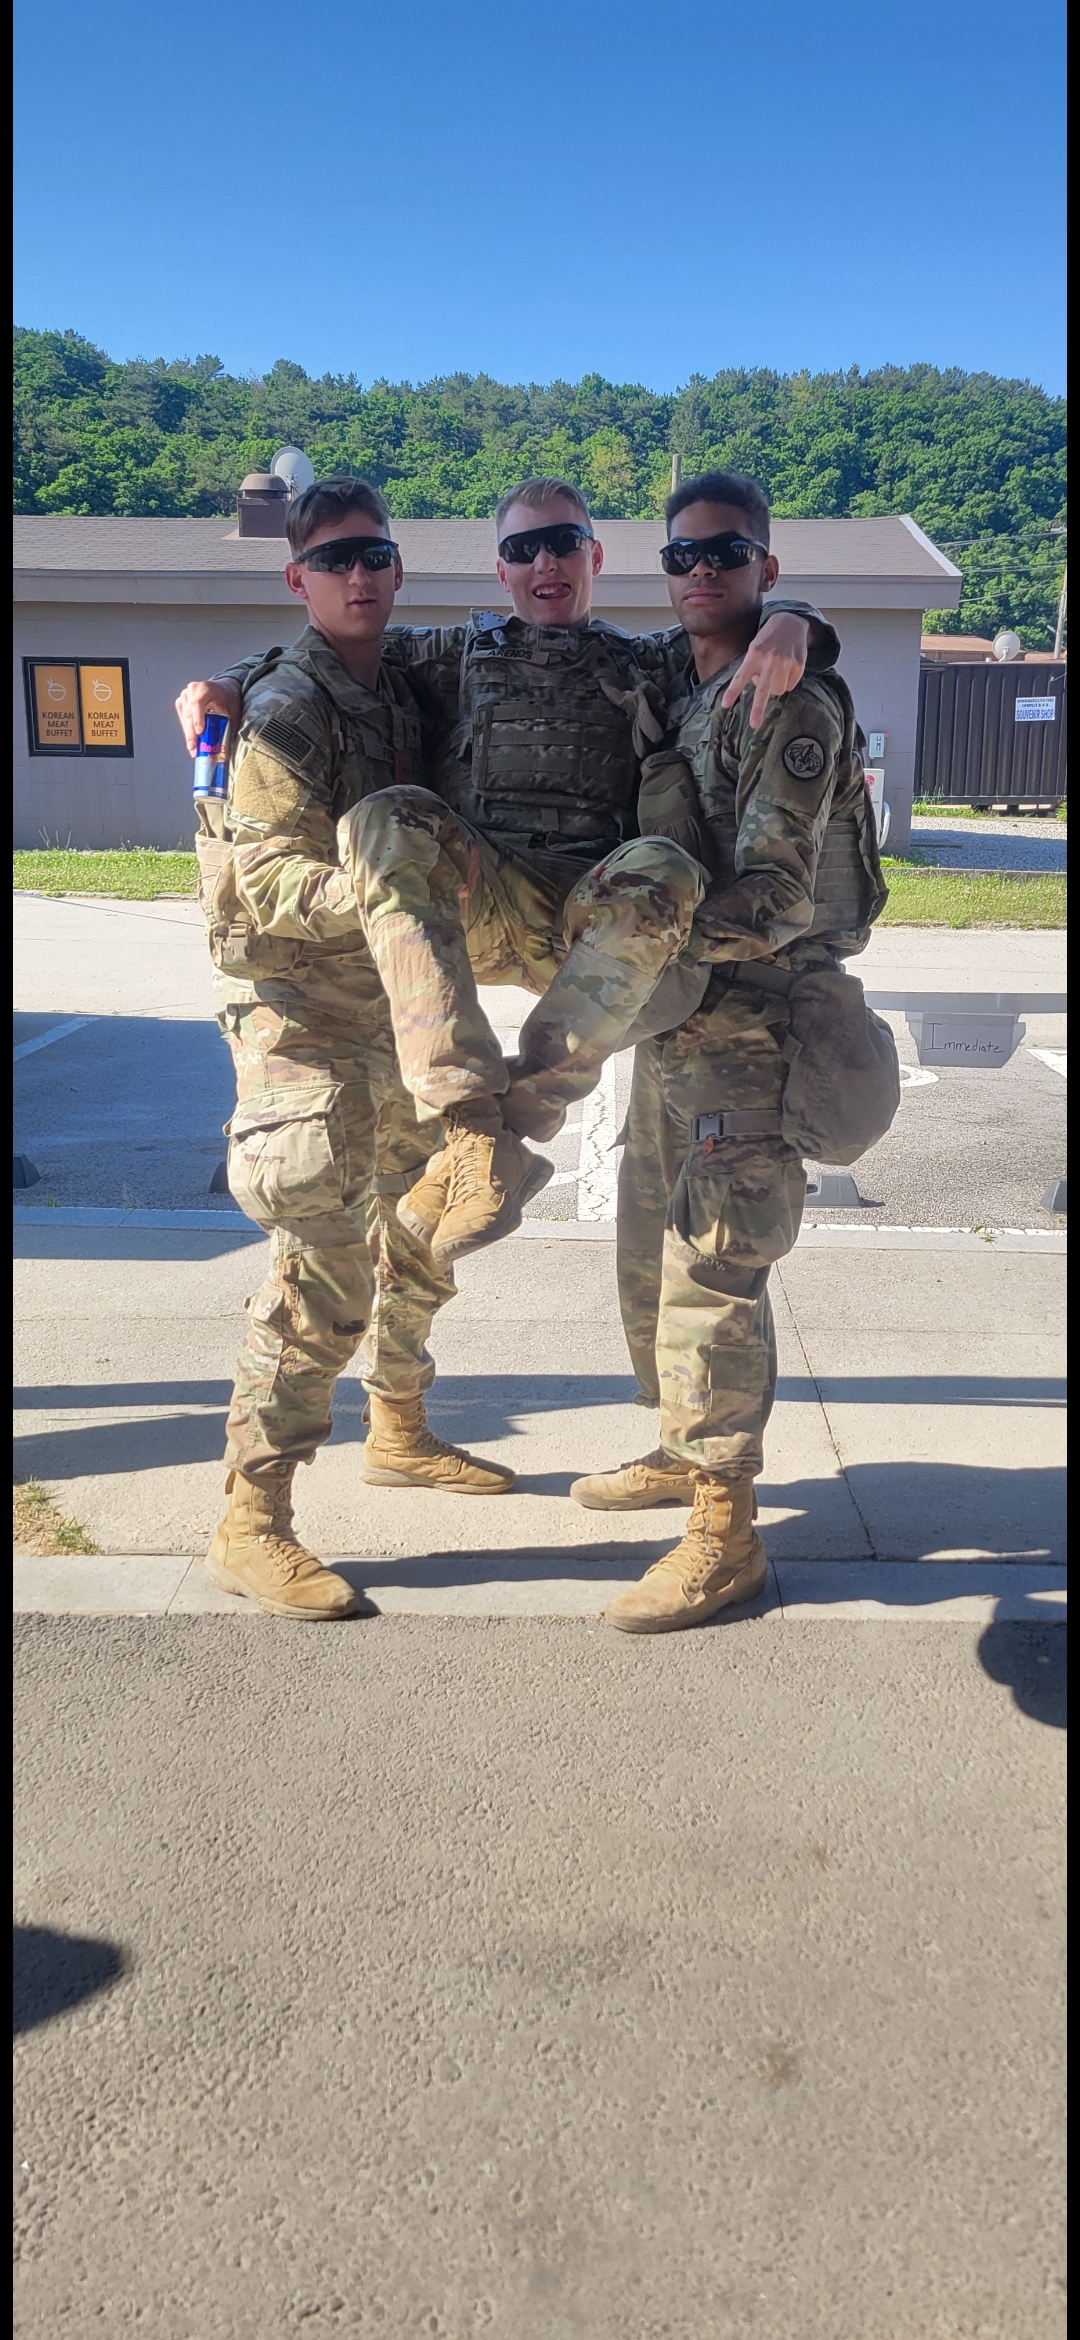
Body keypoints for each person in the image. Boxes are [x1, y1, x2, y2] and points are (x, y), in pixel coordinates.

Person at [181, 479, 834, 1274]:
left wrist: (797, 619)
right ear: (502, 570)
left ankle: (514, 1120)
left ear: (593, 556)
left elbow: (724, 623)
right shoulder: (455, 654)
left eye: (563, 543)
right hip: (488, 899)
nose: (545, 562)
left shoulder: (645, 662)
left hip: (588, 920)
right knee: (391, 814)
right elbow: (329, 647)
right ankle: (467, 1124)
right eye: (524, 549)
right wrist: (233, 679)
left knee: (663, 865)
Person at [567, 471, 899, 1634]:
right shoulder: (685, 680)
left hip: (754, 1027)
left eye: (726, 553)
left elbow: (772, 901)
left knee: (715, 1268)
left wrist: (619, 953)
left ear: (766, 565)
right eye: (682, 556)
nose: (701, 571)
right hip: (678, 1025)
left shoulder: (790, 702)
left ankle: (726, 1537)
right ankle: (680, 1448)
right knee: (649, 1260)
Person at [191, 478, 523, 1623]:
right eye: (335, 561)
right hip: (303, 1015)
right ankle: (250, 1521)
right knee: (324, 1266)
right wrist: (387, 891)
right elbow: (263, 881)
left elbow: (527, 646)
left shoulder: (406, 673)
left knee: (420, 1232)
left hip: (395, 1012)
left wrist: (796, 622)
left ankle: (398, 1430)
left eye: (375, 555)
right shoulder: (286, 709)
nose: (360, 576)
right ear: (299, 577)